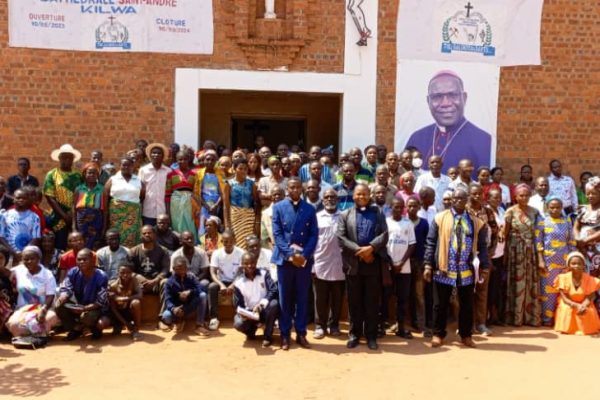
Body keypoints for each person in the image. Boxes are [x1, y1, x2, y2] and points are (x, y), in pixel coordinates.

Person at [423, 189, 488, 348]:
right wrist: (428, 265)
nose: (459, 200)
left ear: (467, 200)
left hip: (465, 269)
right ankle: (438, 334)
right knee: (440, 304)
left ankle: (466, 335)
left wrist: (484, 267)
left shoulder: (475, 222)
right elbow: (431, 243)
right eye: (456, 198)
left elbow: (482, 246)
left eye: (462, 198)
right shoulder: (440, 218)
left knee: (466, 304)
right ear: (451, 200)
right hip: (444, 268)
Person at [405, 70, 492, 172]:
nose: (445, 103)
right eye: (437, 96)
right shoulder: (417, 138)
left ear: (464, 98)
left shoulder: (482, 139)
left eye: (452, 95)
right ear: (428, 101)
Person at [337, 183, 388, 350]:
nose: (362, 197)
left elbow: (384, 234)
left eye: (365, 194)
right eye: (358, 194)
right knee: (354, 303)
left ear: (369, 195)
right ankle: (354, 334)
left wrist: (371, 248)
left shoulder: (378, 212)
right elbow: (341, 237)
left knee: (372, 302)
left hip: (372, 263)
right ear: (353, 196)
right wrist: (360, 251)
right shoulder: (345, 214)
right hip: (353, 264)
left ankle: (371, 336)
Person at [271, 177, 318, 350]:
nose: (295, 190)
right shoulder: (278, 207)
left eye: (298, 187)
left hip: (303, 262)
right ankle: (285, 335)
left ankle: (301, 333)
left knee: (302, 298)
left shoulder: (310, 209)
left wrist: (304, 255)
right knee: (285, 299)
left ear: (302, 189)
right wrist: (291, 255)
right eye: (292, 187)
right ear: (287, 189)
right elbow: (277, 234)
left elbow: (314, 235)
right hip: (285, 260)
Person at [504, 184, 543, 327]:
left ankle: (531, 317)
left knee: (530, 282)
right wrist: (506, 254)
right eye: (521, 195)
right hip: (515, 250)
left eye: (527, 195)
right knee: (516, 282)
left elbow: (538, 232)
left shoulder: (535, 212)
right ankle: (515, 318)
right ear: (515, 197)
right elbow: (505, 233)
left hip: (530, 250)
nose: (524, 198)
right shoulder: (510, 212)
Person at [55, 249, 109, 341]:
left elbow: (100, 302)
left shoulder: (101, 276)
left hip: (96, 308)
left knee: (87, 317)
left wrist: (84, 309)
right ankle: (76, 328)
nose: (81, 262)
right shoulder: (73, 272)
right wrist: (63, 296)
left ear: (92, 260)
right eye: (79, 259)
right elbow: (66, 288)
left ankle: (94, 328)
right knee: (59, 305)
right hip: (80, 305)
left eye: (85, 259)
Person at [5, 246, 58, 339]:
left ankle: (36, 335)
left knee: (49, 318)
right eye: (26, 259)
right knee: (13, 325)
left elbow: (50, 295)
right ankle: (34, 335)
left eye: (32, 258)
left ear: (38, 258)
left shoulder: (47, 274)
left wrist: (44, 310)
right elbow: (4, 272)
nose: (29, 261)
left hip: (42, 308)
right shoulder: (18, 270)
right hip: (23, 309)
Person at [312, 189, 345, 339]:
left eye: (333, 197)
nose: (330, 199)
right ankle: (320, 325)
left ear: (338, 200)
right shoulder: (316, 218)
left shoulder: (344, 216)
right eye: (327, 197)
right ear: (323, 200)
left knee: (337, 298)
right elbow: (312, 242)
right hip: (320, 263)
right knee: (320, 297)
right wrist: (312, 263)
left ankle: (334, 325)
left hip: (340, 264)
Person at [537, 197, 575, 326]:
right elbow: (538, 243)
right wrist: (540, 260)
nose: (555, 209)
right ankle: (547, 320)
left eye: (558, 207)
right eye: (552, 207)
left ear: (562, 208)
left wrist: (571, 261)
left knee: (564, 290)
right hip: (548, 262)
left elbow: (571, 242)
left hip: (564, 262)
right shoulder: (543, 222)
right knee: (548, 291)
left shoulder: (567, 221)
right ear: (547, 208)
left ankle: (562, 319)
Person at [466, 183, 497, 336]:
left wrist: (490, 254)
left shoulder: (488, 211)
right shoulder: (463, 210)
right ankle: (467, 324)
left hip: (483, 256)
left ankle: (481, 324)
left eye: (479, 193)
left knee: (482, 291)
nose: (477, 196)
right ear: (469, 195)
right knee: (466, 291)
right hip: (466, 257)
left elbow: (496, 232)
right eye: (474, 194)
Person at [232, 252, 279, 347]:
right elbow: (238, 304)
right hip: (250, 313)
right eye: (246, 263)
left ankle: (267, 336)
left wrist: (262, 304)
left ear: (256, 262)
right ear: (242, 264)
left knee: (274, 304)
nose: (249, 265)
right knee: (238, 323)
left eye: (252, 263)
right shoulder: (238, 282)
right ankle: (251, 332)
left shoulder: (264, 273)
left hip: (264, 310)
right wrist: (244, 314)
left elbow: (273, 289)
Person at [386, 197, 416, 339]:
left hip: (404, 268)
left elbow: (412, 245)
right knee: (385, 297)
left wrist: (401, 263)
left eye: (400, 207)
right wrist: (392, 263)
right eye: (395, 207)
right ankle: (382, 325)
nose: (397, 209)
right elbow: (382, 245)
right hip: (388, 267)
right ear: (390, 207)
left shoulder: (408, 223)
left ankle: (401, 327)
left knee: (402, 298)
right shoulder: (385, 223)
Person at [43, 144, 83, 250]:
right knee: (59, 244)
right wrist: (65, 216)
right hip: (58, 216)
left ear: (73, 159)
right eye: (63, 157)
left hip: (75, 215)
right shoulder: (51, 174)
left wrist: (73, 215)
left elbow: (81, 196)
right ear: (59, 159)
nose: (66, 160)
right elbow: (49, 197)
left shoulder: (78, 176)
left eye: (69, 158)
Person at [553, 251, 600, 335]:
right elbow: (565, 298)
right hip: (568, 302)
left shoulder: (591, 280)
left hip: (584, 303)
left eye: (579, 264)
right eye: (573, 263)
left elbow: (589, 298)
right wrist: (576, 305)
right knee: (566, 308)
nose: (576, 266)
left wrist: (583, 306)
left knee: (588, 310)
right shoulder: (562, 278)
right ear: (568, 266)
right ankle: (566, 328)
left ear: (583, 266)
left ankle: (585, 329)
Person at [161, 256, 210, 336]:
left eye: (183, 269)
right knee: (166, 316)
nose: (181, 271)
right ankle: (179, 321)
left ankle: (199, 325)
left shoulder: (191, 277)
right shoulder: (169, 282)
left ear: (187, 268)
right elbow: (168, 300)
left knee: (203, 295)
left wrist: (189, 292)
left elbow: (199, 289)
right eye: (178, 269)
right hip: (177, 308)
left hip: (189, 306)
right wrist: (174, 309)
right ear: (173, 269)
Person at [129, 225, 170, 319]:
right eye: (144, 233)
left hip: (156, 282)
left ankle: (163, 317)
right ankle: (131, 318)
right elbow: (128, 270)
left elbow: (165, 270)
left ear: (154, 235)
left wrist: (155, 280)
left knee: (166, 282)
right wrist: (138, 277)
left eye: (149, 233)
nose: (147, 235)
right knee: (127, 283)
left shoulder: (163, 251)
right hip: (139, 283)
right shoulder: (134, 251)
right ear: (141, 236)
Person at [208, 229, 244, 331]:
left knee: (241, 286)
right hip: (221, 281)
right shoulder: (216, 253)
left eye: (230, 241)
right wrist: (221, 285)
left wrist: (233, 285)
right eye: (225, 241)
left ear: (235, 241)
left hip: (236, 280)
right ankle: (214, 318)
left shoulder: (241, 253)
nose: (228, 243)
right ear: (221, 241)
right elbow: (213, 272)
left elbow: (241, 273)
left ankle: (239, 315)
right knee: (212, 287)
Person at [104, 157, 145, 247]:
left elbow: (142, 197)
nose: (126, 167)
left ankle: (130, 258)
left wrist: (130, 207)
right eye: (124, 165)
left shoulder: (138, 181)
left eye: (129, 165)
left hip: (132, 217)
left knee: (132, 238)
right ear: (120, 166)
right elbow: (106, 197)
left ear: (133, 166)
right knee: (116, 237)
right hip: (116, 216)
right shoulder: (113, 179)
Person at [223, 158, 260, 250]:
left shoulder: (252, 184)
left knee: (249, 241)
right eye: (240, 168)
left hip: (248, 216)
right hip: (235, 215)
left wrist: (257, 220)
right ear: (234, 169)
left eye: (245, 169)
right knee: (236, 241)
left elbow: (256, 203)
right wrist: (227, 225)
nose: (243, 171)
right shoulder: (229, 184)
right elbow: (226, 205)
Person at [406, 196, 431, 334]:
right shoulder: (403, 222)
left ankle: (422, 325)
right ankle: (403, 323)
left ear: (419, 207)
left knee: (419, 295)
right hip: (404, 263)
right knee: (403, 294)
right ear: (406, 207)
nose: (412, 208)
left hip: (420, 263)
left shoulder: (424, 223)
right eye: (409, 206)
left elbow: (428, 244)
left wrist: (427, 262)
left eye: (414, 206)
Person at [165, 150, 198, 242]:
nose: (182, 161)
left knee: (190, 224)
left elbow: (196, 192)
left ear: (189, 160)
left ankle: (191, 244)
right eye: (180, 159)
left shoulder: (195, 174)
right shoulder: (170, 174)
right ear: (176, 160)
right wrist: (168, 213)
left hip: (190, 203)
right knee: (176, 225)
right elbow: (167, 194)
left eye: (185, 159)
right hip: (175, 203)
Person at [73, 163, 107, 250]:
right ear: (85, 174)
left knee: (94, 245)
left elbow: (105, 210)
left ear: (97, 175)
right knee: (81, 243)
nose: (92, 175)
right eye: (89, 173)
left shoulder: (102, 189)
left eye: (94, 173)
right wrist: (74, 226)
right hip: (81, 221)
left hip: (96, 221)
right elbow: (74, 209)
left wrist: (104, 228)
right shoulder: (79, 189)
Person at [0, 188, 41, 257]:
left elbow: (36, 237)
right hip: (8, 254)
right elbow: (1, 236)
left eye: (24, 198)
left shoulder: (34, 217)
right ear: (13, 199)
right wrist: (12, 252)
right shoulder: (5, 215)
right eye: (18, 198)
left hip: (27, 255)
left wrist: (24, 252)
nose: (21, 200)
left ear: (28, 200)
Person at [107, 262, 143, 341]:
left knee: (136, 302)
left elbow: (140, 295)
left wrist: (125, 298)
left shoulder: (134, 281)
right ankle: (119, 324)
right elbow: (113, 309)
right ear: (118, 273)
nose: (125, 275)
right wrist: (126, 323)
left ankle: (136, 329)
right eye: (122, 273)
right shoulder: (113, 286)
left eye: (128, 273)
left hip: (128, 310)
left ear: (132, 273)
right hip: (117, 314)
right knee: (116, 334)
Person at [194, 149, 225, 237]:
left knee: (215, 226)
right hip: (203, 205)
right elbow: (196, 193)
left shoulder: (220, 173)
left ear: (216, 161)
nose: (210, 161)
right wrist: (206, 205)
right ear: (204, 160)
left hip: (217, 204)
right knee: (203, 227)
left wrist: (216, 205)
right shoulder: (199, 173)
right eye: (207, 159)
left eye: (212, 160)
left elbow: (223, 191)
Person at [574, 177, 600, 281]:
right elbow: (576, 226)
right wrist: (578, 239)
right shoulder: (583, 209)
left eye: (593, 193)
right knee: (584, 276)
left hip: (597, 249)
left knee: (596, 276)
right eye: (587, 193)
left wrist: (585, 240)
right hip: (582, 248)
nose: (590, 196)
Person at [138, 143, 172, 226]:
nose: (156, 155)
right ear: (150, 155)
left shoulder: (168, 171)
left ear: (163, 156)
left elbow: (170, 192)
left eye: (159, 153)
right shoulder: (143, 170)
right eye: (153, 153)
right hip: (147, 210)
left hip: (163, 210)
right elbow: (139, 191)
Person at [486, 188, 506, 326]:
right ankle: (486, 318)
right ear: (488, 199)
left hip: (500, 252)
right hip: (490, 255)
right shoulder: (486, 212)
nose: (497, 200)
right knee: (488, 288)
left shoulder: (502, 211)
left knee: (497, 287)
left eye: (499, 197)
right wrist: (488, 256)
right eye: (494, 197)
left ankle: (495, 316)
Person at [0, 245, 15, 333]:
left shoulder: (11, 275)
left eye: (1, 258)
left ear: (6, 259)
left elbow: (15, 294)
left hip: (8, 307)